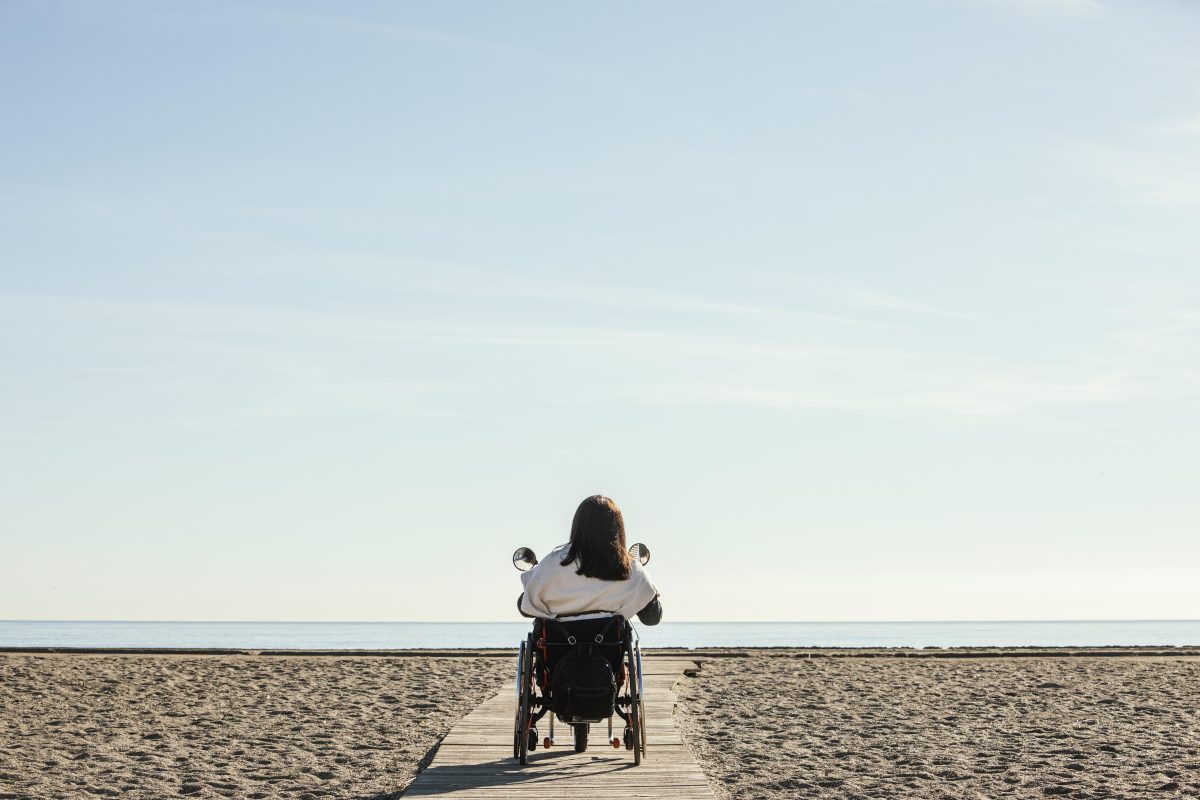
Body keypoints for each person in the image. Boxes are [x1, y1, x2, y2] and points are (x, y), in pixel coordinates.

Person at [517, 495, 662, 625]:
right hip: (608, 653)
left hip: (557, 651)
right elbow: (652, 618)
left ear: (578, 525)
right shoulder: (630, 568)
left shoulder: (552, 563)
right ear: (617, 528)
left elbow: (525, 608)